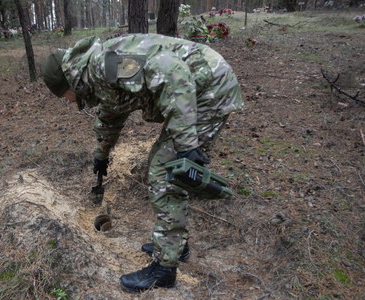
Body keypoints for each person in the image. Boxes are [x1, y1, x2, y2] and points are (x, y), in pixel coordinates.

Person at [41, 33, 243, 293]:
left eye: (64, 97)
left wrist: (187, 146)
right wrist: (101, 154)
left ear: (68, 83)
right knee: (163, 167)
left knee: (165, 175)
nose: (68, 102)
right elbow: (111, 114)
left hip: (208, 90)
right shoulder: (97, 76)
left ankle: (164, 269)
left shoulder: (104, 64)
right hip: (194, 90)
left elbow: (172, 72)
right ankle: (175, 246)